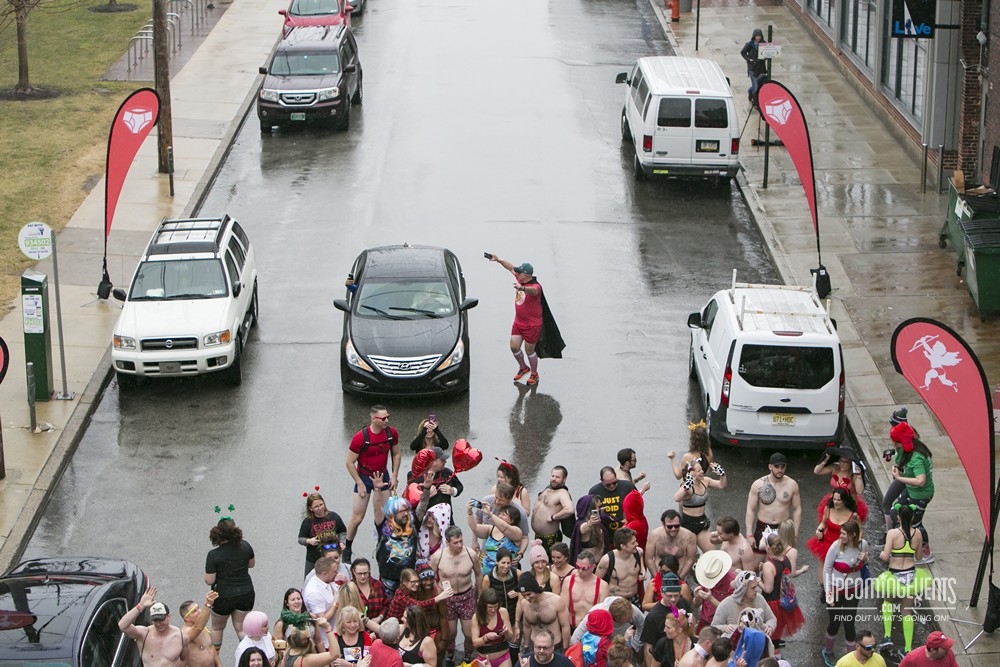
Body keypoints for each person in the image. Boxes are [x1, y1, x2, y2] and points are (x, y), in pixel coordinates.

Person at [345, 405, 401, 563]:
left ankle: (382, 543)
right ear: (373, 419)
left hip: (383, 476)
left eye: (387, 417)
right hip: (364, 476)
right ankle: (347, 549)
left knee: (385, 514)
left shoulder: (391, 433)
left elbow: (396, 454)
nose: (386, 421)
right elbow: (349, 462)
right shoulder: (360, 437)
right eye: (383, 418)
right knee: (357, 517)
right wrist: (359, 482)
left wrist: (395, 474)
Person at [873, 504, 932, 654]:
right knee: (907, 612)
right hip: (911, 577)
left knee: (888, 603)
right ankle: (907, 648)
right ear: (912, 517)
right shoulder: (918, 533)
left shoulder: (893, 533)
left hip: (894, 576)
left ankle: (887, 637)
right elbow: (919, 557)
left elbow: (885, 556)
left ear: (898, 517)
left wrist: (881, 554)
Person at [485, 254, 544, 385]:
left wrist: (522, 288)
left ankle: (534, 374)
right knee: (514, 346)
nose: (516, 273)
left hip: (532, 325)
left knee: (529, 350)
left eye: (519, 272)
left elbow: (533, 292)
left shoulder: (535, 286)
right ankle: (523, 368)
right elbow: (510, 268)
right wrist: (499, 260)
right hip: (519, 321)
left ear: (527, 275)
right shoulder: (520, 278)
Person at [431, 525, 482, 662]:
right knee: (450, 633)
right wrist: (438, 593)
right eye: (455, 543)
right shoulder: (438, 557)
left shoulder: (471, 555)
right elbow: (430, 578)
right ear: (447, 542)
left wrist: (479, 594)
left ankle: (467, 657)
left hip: (466, 595)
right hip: (448, 598)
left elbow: (478, 574)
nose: (459, 545)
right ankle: (450, 656)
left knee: (470, 634)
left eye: (461, 541)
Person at [204, 516, 255, 649]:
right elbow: (251, 564)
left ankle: (216, 659)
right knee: (241, 628)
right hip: (245, 593)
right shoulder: (245, 545)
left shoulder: (213, 554)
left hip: (223, 596)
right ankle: (248, 656)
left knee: (217, 628)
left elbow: (209, 580)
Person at [822, 520, 869, 666]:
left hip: (853, 591)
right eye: (840, 533)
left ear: (853, 535)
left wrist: (865, 559)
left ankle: (851, 659)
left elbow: (865, 564)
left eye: (843, 533)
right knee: (835, 623)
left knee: (849, 624)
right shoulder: (835, 547)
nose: (840, 536)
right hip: (835, 591)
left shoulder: (863, 545)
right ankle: (828, 651)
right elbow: (827, 569)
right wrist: (828, 591)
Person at [745, 454, 802, 566]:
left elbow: (797, 509)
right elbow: (750, 509)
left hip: (783, 528)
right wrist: (749, 534)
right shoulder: (758, 484)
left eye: (783, 467)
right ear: (770, 466)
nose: (780, 470)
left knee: (783, 563)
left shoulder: (792, 484)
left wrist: (795, 531)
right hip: (763, 526)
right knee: (756, 563)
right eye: (777, 467)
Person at [889, 431, 936, 564]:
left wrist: (899, 478)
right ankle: (904, 542)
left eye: (895, 441)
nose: (893, 443)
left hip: (921, 495)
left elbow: (921, 480)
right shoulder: (906, 450)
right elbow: (902, 463)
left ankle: (925, 552)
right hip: (911, 491)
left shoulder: (917, 457)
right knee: (895, 511)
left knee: (915, 523)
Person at [118, 587, 189, 667]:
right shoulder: (144, 634)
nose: (158, 624)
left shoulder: (182, 637)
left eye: (161, 619)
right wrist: (140, 606)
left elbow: (184, 659)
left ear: (168, 617)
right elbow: (123, 626)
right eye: (155, 620)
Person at [376, 490, 426, 596]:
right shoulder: (383, 528)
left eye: (406, 510)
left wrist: (426, 489)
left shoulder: (412, 527)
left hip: (408, 583)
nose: (405, 514)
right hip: (387, 583)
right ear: (392, 513)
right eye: (401, 511)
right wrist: (376, 490)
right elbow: (376, 509)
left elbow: (422, 507)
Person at [807, 488, 862, 585]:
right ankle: (824, 591)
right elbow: (823, 523)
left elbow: (860, 531)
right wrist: (819, 530)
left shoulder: (853, 516)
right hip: (826, 544)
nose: (835, 502)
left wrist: (855, 542)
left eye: (839, 500)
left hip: (843, 546)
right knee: (822, 580)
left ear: (845, 500)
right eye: (834, 499)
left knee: (838, 576)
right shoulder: (828, 509)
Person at [759, 534, 804, 646]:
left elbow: (768, 589)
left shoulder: (769, 565)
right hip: (784, 601)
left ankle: (774, 655)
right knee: (778, 629)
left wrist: (757, 580)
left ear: (768, 547)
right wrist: (763, 571)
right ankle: (777, 643)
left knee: (771, 635)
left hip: (772, 604)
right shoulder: (786, 559)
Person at [640, 573, 694, 666]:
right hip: (664, 658)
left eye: (676, 595)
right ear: (662, 593)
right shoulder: (654, 616)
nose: (673, 599)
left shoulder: (683, 603)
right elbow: (648, 647)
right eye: (669, 596)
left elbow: (689, 627)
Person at [675, 458, 727, 554]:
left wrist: (722, 474)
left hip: (701, 522)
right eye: (699, 470)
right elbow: (677, 498)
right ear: (692, 473)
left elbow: (721, 485)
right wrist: (687, 485)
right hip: (688, 525)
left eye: (702, 469)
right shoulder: (687, 487)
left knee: (712, 553)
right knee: (691, 557)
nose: (702, 472)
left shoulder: (705, 481)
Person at [516, 572, 571, 656]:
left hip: (554, 647)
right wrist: (526, 646)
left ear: (535, 589)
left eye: (529, 594)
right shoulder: (524, 604)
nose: (527, 598)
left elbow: (565, 626)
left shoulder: (556, 601)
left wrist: (565, 648)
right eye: (524, 596)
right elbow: (527, 627)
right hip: (534, 646)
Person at [710, 571, 776, 641]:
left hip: (757, 643)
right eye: (753, 588)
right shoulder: (726, 604)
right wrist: (724, 628)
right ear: (742, 589)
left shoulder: (760, 599)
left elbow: (771, 618)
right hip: (735, 646)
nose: (757, 590)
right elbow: (714, 626)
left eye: (756, 586)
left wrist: (769, 627)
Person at [568, 596, 644, 653]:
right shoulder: (595, 615)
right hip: (598, 649)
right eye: (627, 620)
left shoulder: (632, 610)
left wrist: (634, 646)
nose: (630, 621)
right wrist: (573, 654)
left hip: (622, 645)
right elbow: (577, 637)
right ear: (615, 619)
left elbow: (642, 625)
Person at [477, 483, 532, 562]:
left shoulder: (520, 512)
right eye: (496, 497)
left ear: (509, 500)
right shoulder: (486, 501)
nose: (496, 501)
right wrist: (474, 541)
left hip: (508, 560)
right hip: (487, 554)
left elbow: (525, 537)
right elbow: (477, 520)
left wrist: (521, 554)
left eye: (501, 500)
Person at [299, 491, 348, 576]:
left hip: (332, 556)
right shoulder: (307, 522)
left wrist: (342, 542)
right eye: (316, 506)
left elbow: (342, 531)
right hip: (314, 558)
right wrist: (309, 541)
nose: (320, 508)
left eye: (321, 504)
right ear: (311, 508)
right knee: (310, 579)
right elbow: (300, 539)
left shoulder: (334, 516)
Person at [469, 501, 524, 575]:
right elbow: (474, 528)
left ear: (512, 520)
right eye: (500, 513)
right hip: (486, 574)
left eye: (504, 515)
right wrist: (469, 512)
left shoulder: (517, 532)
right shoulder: (491, 529)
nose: (500, 516)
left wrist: (490, 514)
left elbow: (504, 528)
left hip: (506, 575)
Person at [813, 449, 869, 522]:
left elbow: (860, 491)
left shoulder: (853, 475)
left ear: (851, 463)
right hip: (835, 504)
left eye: (845, 462)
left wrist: (859, 475)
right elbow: (817, 471)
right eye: (840, 461)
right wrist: (824, 460)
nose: (842, 464)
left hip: (849, 507)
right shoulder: (835, 468)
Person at [881, 408, 913, 531]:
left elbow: (910, 457)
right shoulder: (903, 436)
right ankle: (890, 533)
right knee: (888, 504)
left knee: (896, 509)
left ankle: (898, 535)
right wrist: (892, 452)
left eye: (893, 426)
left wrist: (899, 468)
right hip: (902, 476)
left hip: (908, 479)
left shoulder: (909, 440)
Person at [595, 527, 645, 605]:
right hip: (615, 600)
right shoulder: (607, 560)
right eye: (633, 543)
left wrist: (643, 571)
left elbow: (641, 560)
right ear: (623, 546)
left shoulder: (638, 552)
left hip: (634, 598)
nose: (637, 544)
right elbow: (596, 582)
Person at [561, 551, 609, 631]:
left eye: (584, 568)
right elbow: (563, 609)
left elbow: (603, 614)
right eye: (577, 567)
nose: (580, 571)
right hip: (572, 627)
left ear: (593, 567)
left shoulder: (602, 586)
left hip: (592, 630)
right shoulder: (568, 581)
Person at [386, 567, 455, 622]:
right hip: (395, 626)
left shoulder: (411, 590)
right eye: (413, 582)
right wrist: (440, 597)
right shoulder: (401, 595)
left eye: (417, 581)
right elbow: (418, 606)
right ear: (404, 582)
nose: (416, 584)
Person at [412, 559, 450, 659]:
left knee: (437, 661)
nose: (428, 582)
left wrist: (444, 640)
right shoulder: (416, 592)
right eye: (425, 580)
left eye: (431, 579)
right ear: (419, 580)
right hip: (421, 632)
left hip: (437, 632)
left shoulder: (438, 592)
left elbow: (443, 617)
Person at [532, 466, 575, 553]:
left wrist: (554, 517)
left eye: (557, 477)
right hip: (538, 536)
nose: (554, 479)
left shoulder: (563, 493)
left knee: (551, 564)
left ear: (564, 479)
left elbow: (569, 509)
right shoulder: (547, 489)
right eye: (553, 476)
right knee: (538, 564)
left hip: (551, 538)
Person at [645, 509, 697, 580]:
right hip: (658, 576)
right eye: (669, 526)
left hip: (679, 577)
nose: (673, 529)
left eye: (676, 526)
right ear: (663, 524)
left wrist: (680, 578)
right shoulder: (654, 535)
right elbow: (649, 559)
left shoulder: (689, 536)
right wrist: (657, 578)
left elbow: (690, 559)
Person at [302, 557, 342, 647]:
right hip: (327, 642)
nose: (337, 573)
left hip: (337, 634)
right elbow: (323, 620)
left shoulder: (327, 580)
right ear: (324, 574)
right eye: (334, 571)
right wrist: (336, 603)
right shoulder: (314, 592)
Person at [692, 551, 735, 633]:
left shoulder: (732, 583)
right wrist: (697, 597)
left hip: (722, 626)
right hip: (704, 622)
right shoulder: (705, 575)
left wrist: (710, 599)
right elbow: (695, 605)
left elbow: (730, 611)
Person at [472, 588, 515, 667]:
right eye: (490, 607)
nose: (493, 610)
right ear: (483, 606)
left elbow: (510, 638)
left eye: (495, 606)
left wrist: (506, 632)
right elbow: (475, 643)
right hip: (484, 659)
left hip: (503, 657)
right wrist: (486, 637)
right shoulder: (476, 617)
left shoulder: (503, 612)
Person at [589, 467, 637, 533]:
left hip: (626, 529)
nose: (612, 486)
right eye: (608, 485)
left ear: (616, 477)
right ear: (601, 480)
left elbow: (638, 504)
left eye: (614, 482)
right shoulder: (594, 491)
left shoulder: (628, 486)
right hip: (605, 531)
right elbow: (589, 512)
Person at [179, 591, 220, 667]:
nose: (200, 611)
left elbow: (211, 647)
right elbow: (198, 627)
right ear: (187, 618)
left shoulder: (204, 628)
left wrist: (219, 665)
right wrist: (208, 604)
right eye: (195, 611)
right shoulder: (185, 633)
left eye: (198, 608)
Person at [350, 558, 388, 634]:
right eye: (359, 573)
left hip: (378, 629)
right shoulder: (350, 588)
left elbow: (386, 605)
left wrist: (380, 617)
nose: (363, 576)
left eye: (365, 573)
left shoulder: (377, 585)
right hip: (357, 631)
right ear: (353, 572)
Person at [569, 495, 611, 562]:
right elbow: (582, 529)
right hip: (588, 567)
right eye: (597, 507)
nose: (598, 509)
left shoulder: (600, 522)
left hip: (601, 564)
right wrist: (590, 523)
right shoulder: (581, 524)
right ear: (589, 508)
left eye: (599, 507)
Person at [740, 28, 767, 107]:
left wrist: (766, 57)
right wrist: (749, 59)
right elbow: (743, 52)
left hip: (761, 69)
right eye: (757, 36)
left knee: (759, 86)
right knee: (755, 87)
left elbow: (769, 54)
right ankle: (756, 103)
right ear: (754, 36)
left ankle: (750, 91)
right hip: (752, 69)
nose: (758, 37)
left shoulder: (764, 44)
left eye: (759, 36)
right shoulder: (750, 44)